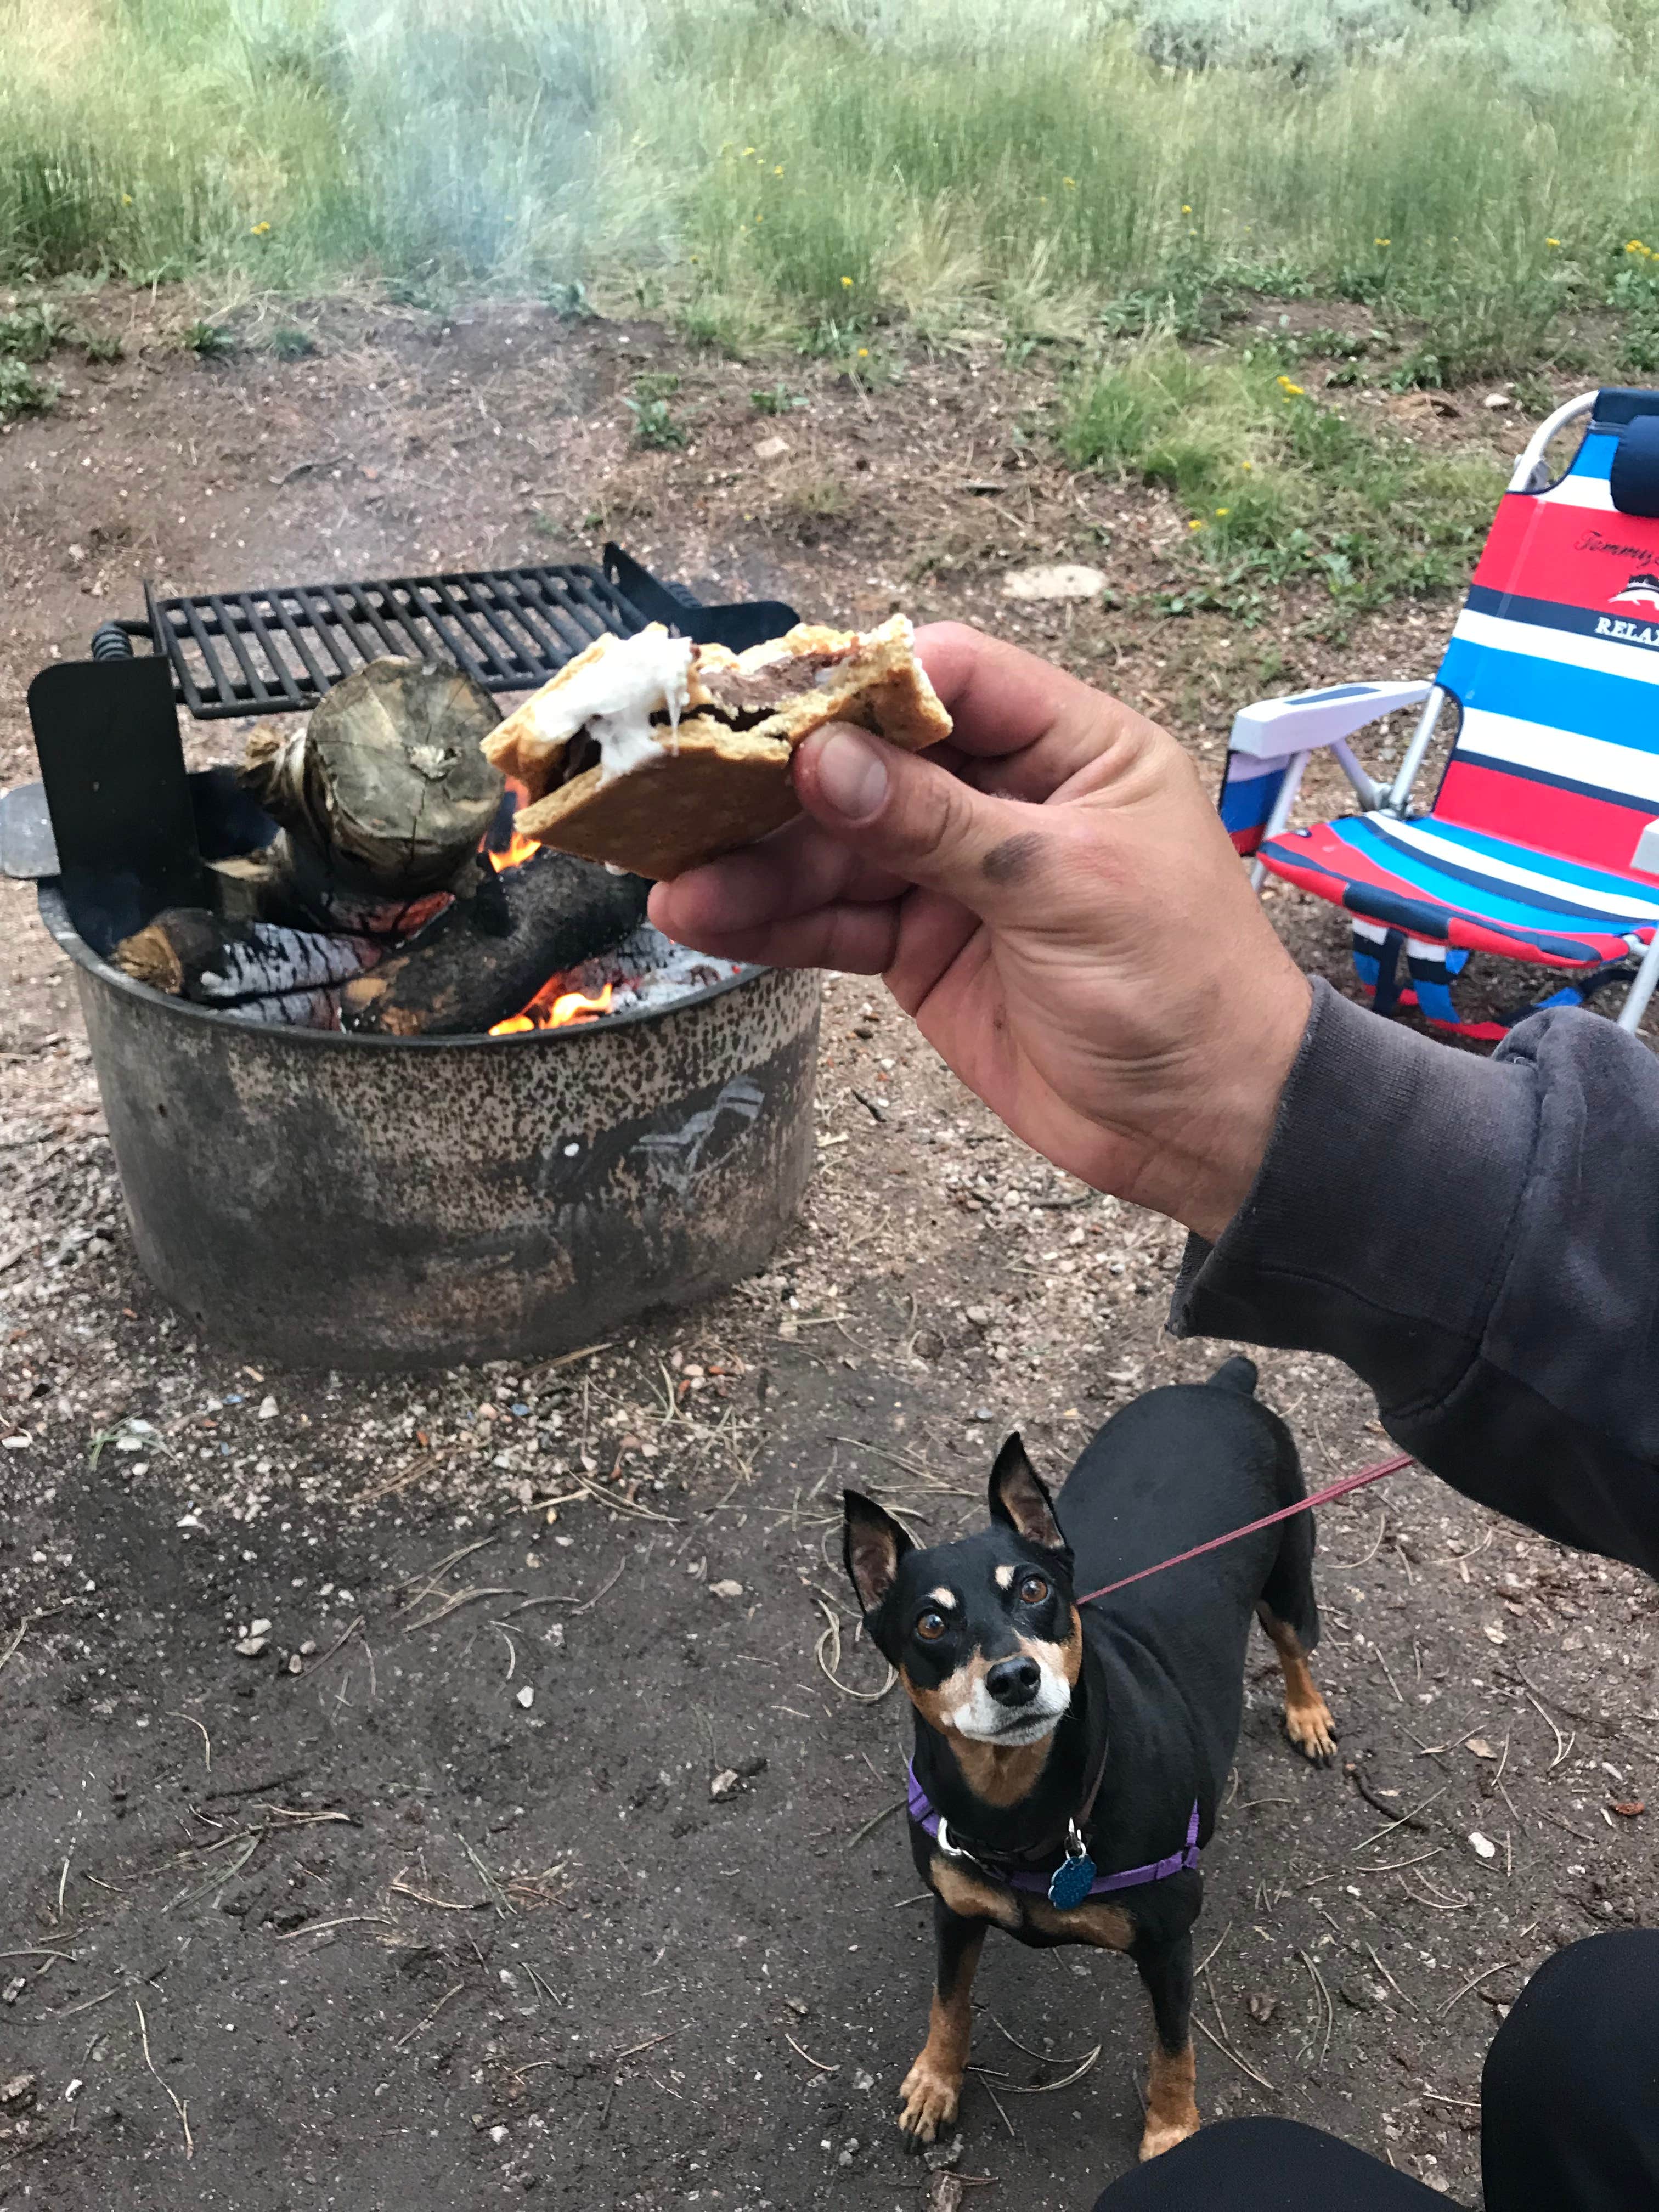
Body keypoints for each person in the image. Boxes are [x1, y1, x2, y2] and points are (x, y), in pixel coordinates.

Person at [648, 623, 1659, 2210]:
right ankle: (949, 2038)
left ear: (1062, 1591)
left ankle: (1297, 1671)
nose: (1000, 1661)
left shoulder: (1141, 1827)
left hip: (1146, 1717)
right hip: (1000, 1841)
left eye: (1026, 1616)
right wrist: (1262, 1104)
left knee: (1282, 1612)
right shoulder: (940, 1814)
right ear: (890, 1647)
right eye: (945, 1644)